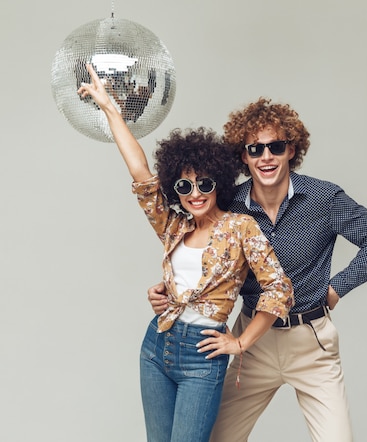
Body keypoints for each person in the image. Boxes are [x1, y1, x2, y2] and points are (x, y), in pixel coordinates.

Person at [148, 97, 367, 441]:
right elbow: (194, 247)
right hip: (253, 342)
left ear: (291, 150)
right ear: (243, 156)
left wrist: (336, 288)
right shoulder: (229, 204)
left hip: (311, 342)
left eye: (275, 147)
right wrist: (169, 292)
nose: (266, 157)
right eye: (255, 149)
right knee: (213, 438)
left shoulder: (323, 199)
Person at [77, 67, 294, 442]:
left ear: (219, 184)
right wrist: (109, 107)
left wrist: (240, 343)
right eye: (184, 185)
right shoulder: (174, 227)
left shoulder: (240, 228)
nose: (195, 193)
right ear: (174, 187)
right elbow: (140, 173)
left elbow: (279, 290)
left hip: (202, 357)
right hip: (156, 346)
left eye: (205, 184)